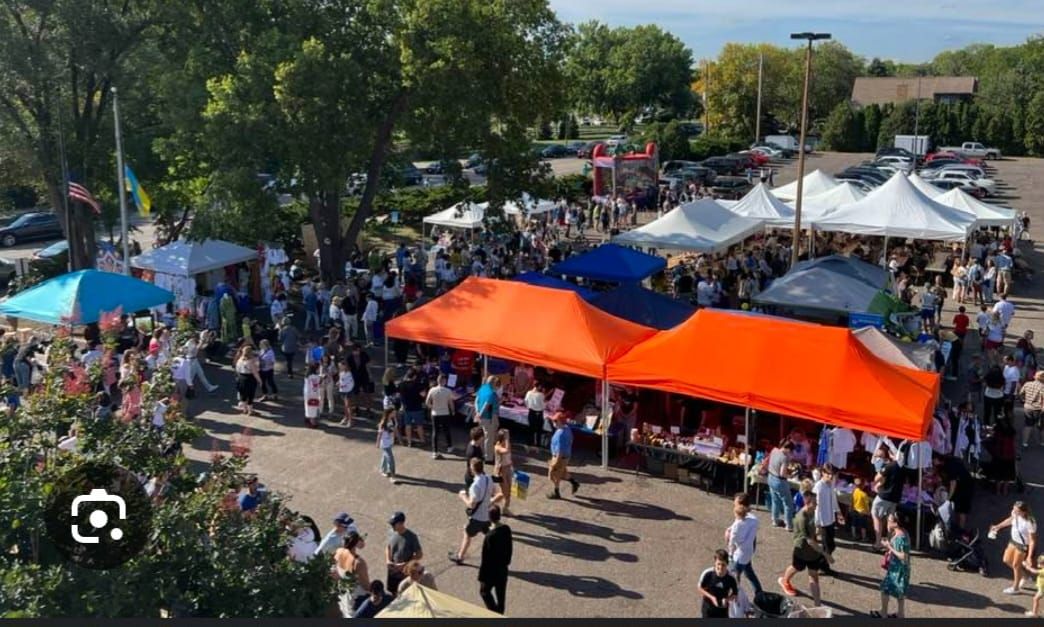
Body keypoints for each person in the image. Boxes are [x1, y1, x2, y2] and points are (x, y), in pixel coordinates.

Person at [778, 491, 830, 605]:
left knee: (814, 576)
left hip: (812, 553)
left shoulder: (812, 512)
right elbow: (809, 541)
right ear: (808, 503)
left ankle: (817, 605)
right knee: (796, 567)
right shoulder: (801, 517)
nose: (817, 505)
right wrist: (825, 554)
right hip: (802, 551)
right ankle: (784, 581)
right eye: (815, 503)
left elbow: (813, 532)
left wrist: (817, 530)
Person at [450, 458, 496, 564]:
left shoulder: (475, 486)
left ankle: (460, 557)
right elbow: (494, 492)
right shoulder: (488, 478)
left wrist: (463, 496)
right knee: (489, 536)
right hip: (487, 514)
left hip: (477, 517)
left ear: (472, 469)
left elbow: (471, 504)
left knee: (467, 533)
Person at [990, 501, 1038, 595]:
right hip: (1013, 541)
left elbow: (1032, 540)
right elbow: (1011, 519)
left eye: (1016, 511)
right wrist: (998, 526)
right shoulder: (1015, 514)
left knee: (1016, 565)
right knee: (1006, 560)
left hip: (1022, 545)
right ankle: (1024, 575)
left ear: (1023, 512)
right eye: (1013, 509)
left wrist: (1029, 556)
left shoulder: (1030, 522)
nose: (1014, 511)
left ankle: (1016, 588)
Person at [872, 512, 911, 618]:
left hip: (897, 570)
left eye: (889, 520)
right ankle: (900, 613)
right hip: (901, 568)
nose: (887, 522)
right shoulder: (903, 533)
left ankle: (883, 612)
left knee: (885, 589)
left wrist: (889, 547)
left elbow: (903, 556)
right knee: (900, 592)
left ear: (896, 523)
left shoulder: (900, 538)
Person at [478, 504, 513, 614]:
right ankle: (500, 614)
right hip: (503, 569)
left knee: (484, 591)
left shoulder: (489, 536)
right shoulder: (506, 529)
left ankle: (494, 613)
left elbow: (486, 558)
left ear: (489, 518)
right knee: (501, 596)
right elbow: (510, 547)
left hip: (491, 572)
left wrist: (482, 576)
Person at [725, 492, 762, 596]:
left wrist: (730, 552)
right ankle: (759, 592)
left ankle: (734, 595)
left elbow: (735, 538)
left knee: (734, 575)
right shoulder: (751, 519)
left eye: (736, 503)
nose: (734, 504)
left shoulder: (741, 521)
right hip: (748, 550)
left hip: (739, 553)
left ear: (742, 505)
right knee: (748, 571)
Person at [871, 445, 903, 546]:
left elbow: (877, 478)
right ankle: (890, 543)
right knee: (890, 519)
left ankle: (877, 543)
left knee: (876, 516)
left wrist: (879, 484)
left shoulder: (889, 466)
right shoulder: (902, 467)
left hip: (884, 495)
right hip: (895, 497)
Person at [813, 463, 844, 566]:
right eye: (828, 474)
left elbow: (833, 499)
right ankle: (821, 565)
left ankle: (821, 564)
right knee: (827, 546)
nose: (830, 476)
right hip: (823, 521)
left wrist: (838, 512)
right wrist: (817, 522)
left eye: (832, 474)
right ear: (823, 473)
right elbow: (816, 505)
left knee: (831, 545)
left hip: (830, 519)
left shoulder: (831, 484)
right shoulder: (819, 486)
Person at [385, 511, 423, 596]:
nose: (392, 526)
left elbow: (419, 554)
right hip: (392, 570)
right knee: (393, 592)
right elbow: (388, 547)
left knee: (405, 593)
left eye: (394, 524)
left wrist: (405, 564)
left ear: (401, 523)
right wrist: (388, 560)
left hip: (404, 572)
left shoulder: (411, 537)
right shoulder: (391, 533)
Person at [334, 531, 371, 614]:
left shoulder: (339, 554)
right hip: (358, 599)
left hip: (345, 597)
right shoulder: (358, 563)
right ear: (356, 543)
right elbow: (366, 586)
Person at [547, 412, 580, 499]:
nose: (553, 422)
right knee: (563, 473)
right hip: (566, 456)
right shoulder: (567, 428)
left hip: (559, 458)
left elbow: (559, 452)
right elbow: (571, 440)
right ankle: (574, 483)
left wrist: (555, 463)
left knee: (553, 475)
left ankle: (556, 492)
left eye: (555, 421)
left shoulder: (560, 435)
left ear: (560, 422)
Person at [700, 549, 739, 619]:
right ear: (715, 563)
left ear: (727, 564)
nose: (720, 567)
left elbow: (735, 594)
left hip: (722, 610)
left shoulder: (731, 578)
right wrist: (712, 598)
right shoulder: (708, 573)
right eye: (718, 564)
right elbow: (700, 588)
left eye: (723, 565)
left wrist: (727, 599)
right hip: (708, 609)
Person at [766, 440, 796, 530]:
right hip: (779, 481)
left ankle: (775, 520)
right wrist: (790, 475)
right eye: (790, 451)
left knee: (775, 500)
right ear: (787, 449)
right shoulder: (784, 458)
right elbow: (782, 474)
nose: (790, 453)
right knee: (788, 504)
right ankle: (789, 525)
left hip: (770, 477)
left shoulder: (774, 450)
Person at [426, 374, 455, 459]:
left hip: (435, 413)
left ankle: (434, 451)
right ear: (444, 381)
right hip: (445, 413)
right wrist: (453, 411)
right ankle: (449, 447)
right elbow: (450, 402)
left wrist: (433, 407)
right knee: (447, 430)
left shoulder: (432, 390)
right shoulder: (448, 391)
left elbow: (427, 402)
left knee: (435, 432)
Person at [475, 376, 501, 462]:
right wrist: (480, 414)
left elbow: (476, 400)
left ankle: (481, 454)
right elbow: (486, 405)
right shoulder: (492, 393)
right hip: (489, 417)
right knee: (489, 438)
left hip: (482, 417)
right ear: (493, 383)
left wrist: (477, 412)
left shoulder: (482, 389)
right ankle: (488, 458)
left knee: (482, 436)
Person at [400, 368, 427, 447]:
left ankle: (409, 442)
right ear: (414, 376)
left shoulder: (402, 384)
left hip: (406, 408)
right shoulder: (418, 384)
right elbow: (423, 395)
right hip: (417, 408)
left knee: (408, 425)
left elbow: (400, 395)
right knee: (419, 425)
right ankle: (422, 440)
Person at [234, 346, 262, 416]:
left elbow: (237, 370)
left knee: (243, 394)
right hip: (249, 379)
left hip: (240, 378)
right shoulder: (250, 361)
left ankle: (244, 409)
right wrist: (260, 381)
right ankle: (250, 410)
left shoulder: (240, 360)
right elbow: (255, 372)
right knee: (250, 395)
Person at [1020, 371, 1044, 448]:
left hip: (1028, 407)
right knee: (1041, 427)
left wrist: (1024, 400)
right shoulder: (1042, 387)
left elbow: (1021, 393)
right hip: (1039, 409)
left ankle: (1025, 443)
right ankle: (1042, 442)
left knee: (1028, 425)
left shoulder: (1027, 384)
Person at [377, 408, 399, 483]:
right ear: (389, 413)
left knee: (385, 456)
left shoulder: (393, 420)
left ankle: (383, 469)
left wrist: (396, 439)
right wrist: (377, 443)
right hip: (385, 444)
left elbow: (395, 429)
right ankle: (393, 477)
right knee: (391, 459)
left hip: (390, 442)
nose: (395, 414)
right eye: (393, 413)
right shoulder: (383, 422)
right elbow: (379, 434)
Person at [524, 381, 546, 448]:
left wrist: (529, 406)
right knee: (539, 430)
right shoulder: (541, 395)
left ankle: (529, 443)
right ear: (539, 386)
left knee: (531, 428)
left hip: (531, 412)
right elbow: (543, 406)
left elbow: (525, 401)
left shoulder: (529, 392)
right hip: (538, 413)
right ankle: (537, 445)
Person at [850, 477, 872, 542]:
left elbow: (852, 501)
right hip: (862, 512)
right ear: (862, 485)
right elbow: (867, 505)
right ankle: (864, 537)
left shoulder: (854, 491)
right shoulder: (864, 494)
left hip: (855, 510)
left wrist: (851, 508)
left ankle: (854, 536)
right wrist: (868, 512)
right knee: (863, 525)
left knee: (853, 524)